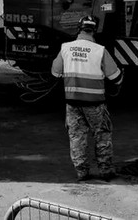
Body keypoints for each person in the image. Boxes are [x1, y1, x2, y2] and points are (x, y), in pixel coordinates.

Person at [51, 15, 123, 182]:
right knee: (102, 135)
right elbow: (115, 77)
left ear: (79, 29)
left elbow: (55, 72)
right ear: (94, 31)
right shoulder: (100, 50)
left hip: (72, 102)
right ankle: (105, 171)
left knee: (77, 136)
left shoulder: (65, 48)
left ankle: (82, 172)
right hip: (95, 103)